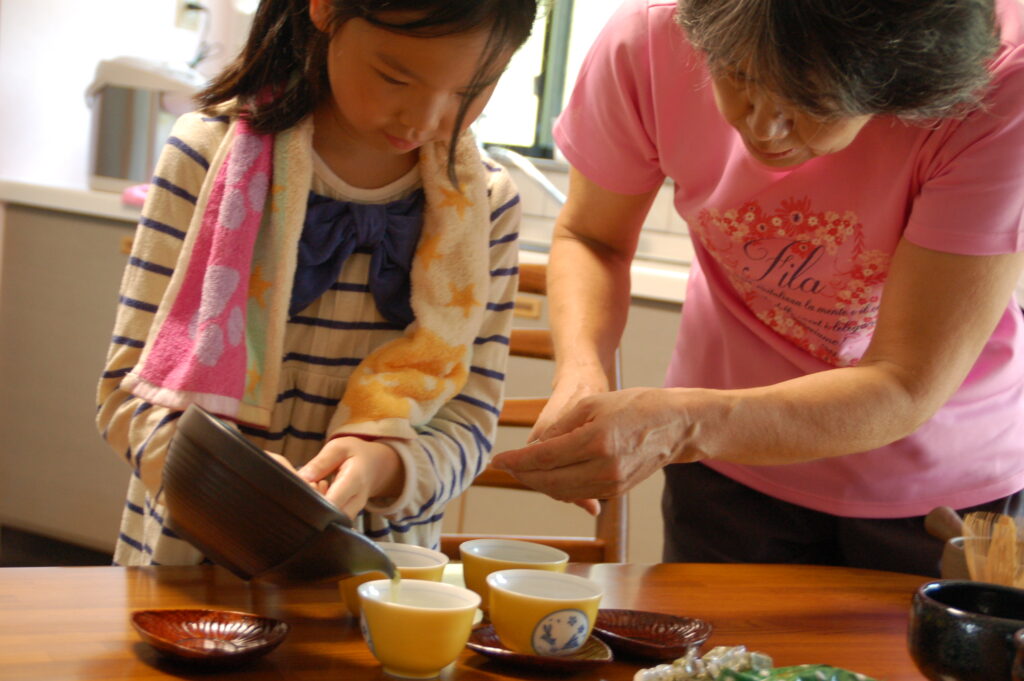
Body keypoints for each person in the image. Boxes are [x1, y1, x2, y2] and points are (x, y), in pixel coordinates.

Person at [491, 0, 1024, 576]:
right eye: (739, 76)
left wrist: (683, 424)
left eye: (811, 103)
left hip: (938, 484)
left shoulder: (1001, 89)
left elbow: (905, 380)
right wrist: (581, 372)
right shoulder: (652, 35)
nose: (762, 128)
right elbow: (594, 238)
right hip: (724, 467)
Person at [96, 0, 538, 566]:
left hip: (372, 578)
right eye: (394, 76)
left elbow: (472, 421)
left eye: (469, 90)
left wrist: (388, 466)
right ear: (325, 10)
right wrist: (227, 481)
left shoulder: (486, 206)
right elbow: (124, 397)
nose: (424, 120)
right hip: (192, 562)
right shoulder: (205, 156)